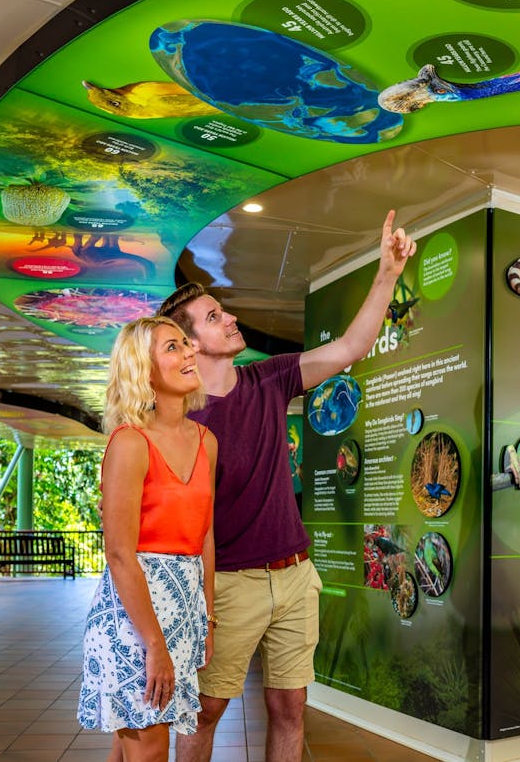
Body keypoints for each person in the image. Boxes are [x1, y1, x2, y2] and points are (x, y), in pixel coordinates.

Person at [158, 209, 416, 762]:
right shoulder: (181, 423)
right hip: (227, 586)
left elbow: (348, 349)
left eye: (221, 310)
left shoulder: (269, 379)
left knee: (290, 708)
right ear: (189, 345)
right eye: (212, 317)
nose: (228, 319)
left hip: (296, 576)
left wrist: (387, 275)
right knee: (204, 712)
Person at [78, 316, 218, 761]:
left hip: (184, 605)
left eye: (186, 345)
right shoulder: (129, 443)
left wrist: (207, 618)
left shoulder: (207, 441)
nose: (189, 353)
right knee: (150, 751)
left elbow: (205, 534)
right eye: (173, 348)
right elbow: (120, 554)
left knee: (132, 747)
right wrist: (154, 645)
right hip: (132, 616)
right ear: (144, 368)